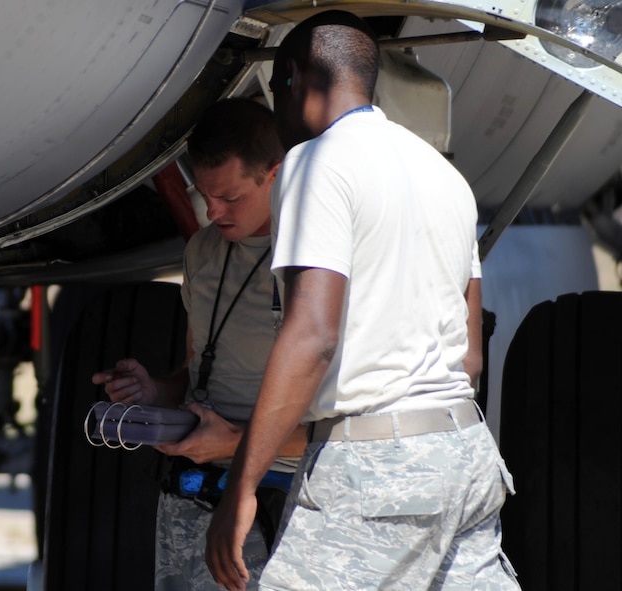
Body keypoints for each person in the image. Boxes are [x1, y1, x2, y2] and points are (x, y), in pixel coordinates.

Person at [205, 11, 520, 591]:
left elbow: (313, 333)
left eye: (276, 89)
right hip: (466, 453)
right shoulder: (445, 176)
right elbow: (470, 355)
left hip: (377, 474)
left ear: (296, 77)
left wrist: (241, 488)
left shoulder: (318, 160)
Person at [91, 97, 308, 591]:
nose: (212, 211)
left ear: (275, 176)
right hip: (197, 497)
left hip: (287, 501)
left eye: (230, 197)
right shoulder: (203, 250)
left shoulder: (315, 262)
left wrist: (234, 443)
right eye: (204, 194)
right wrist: (152, 392)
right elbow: (194, 372)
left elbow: (346, 425)